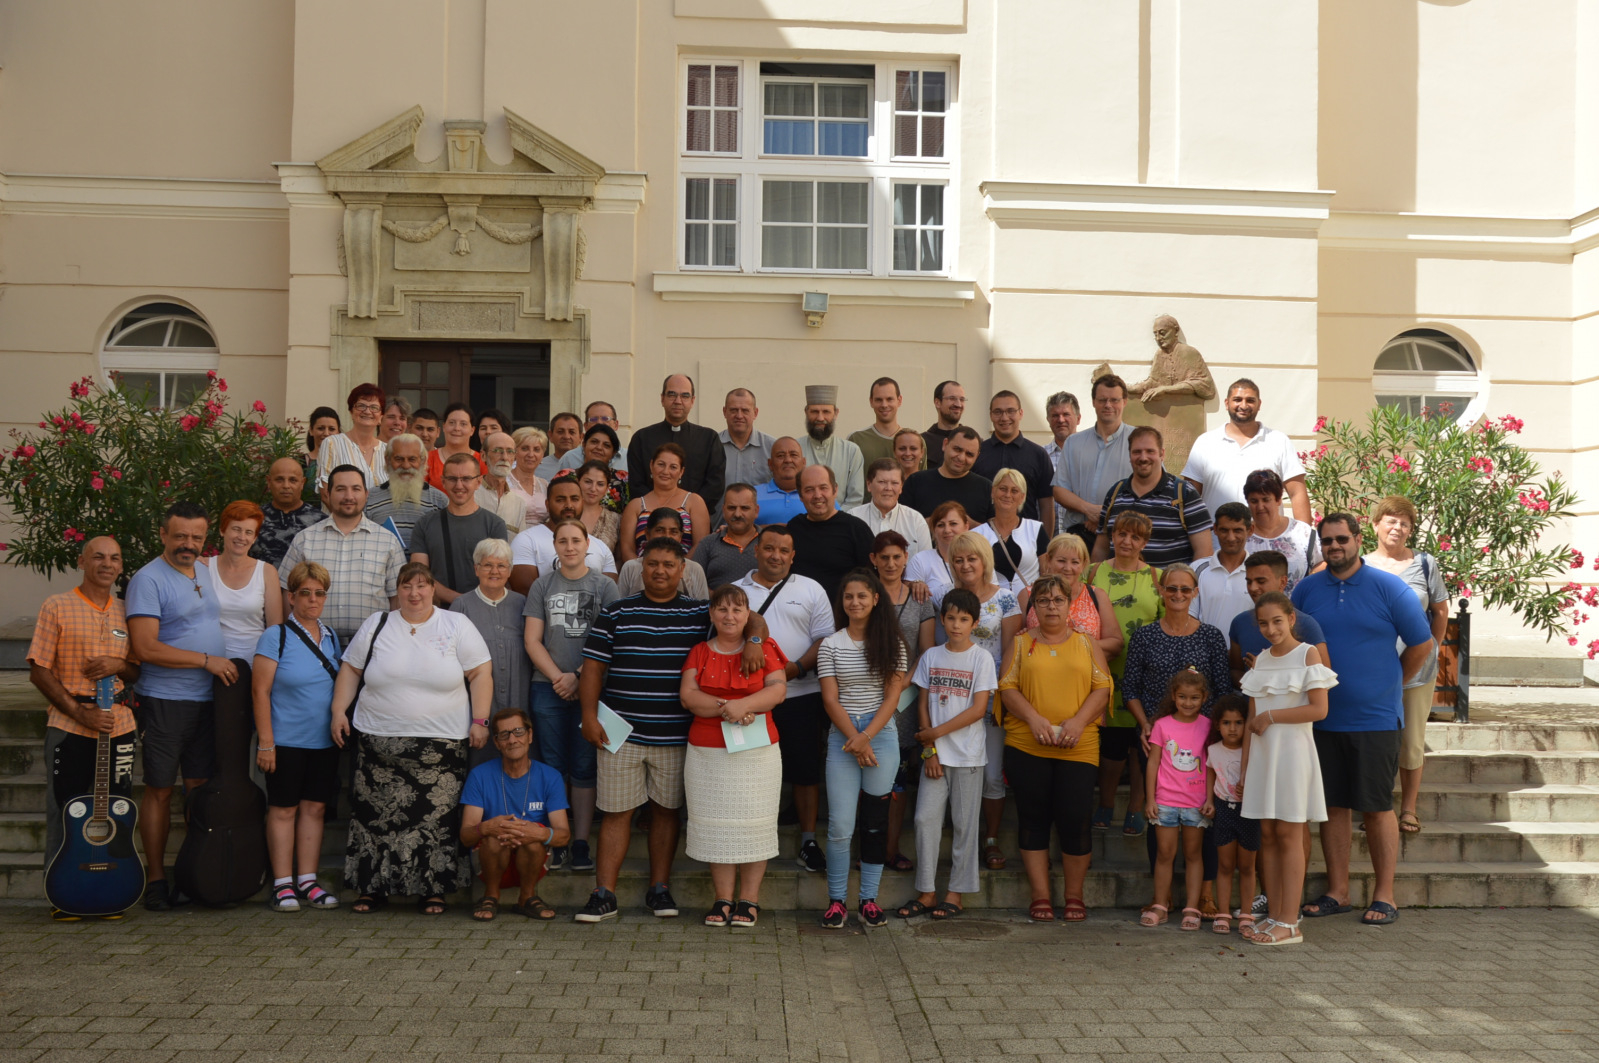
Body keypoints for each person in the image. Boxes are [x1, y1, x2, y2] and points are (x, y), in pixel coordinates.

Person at [574, 538, 767, 924]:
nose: (660, 571)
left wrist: (755, 641)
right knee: (616, 813)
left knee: (666, 812)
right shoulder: (617, 612)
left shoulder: (699, 612)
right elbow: (593, 668)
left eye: (668, 564)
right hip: (621, 735)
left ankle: (659, 889)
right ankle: (603, 894)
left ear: (683, 570)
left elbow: (751, 617)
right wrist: (589, 716)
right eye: (652, 564)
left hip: (676, 736)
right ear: (640, 568)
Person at [1292, 512, 1432, 928]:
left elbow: (1422, 644)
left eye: (1342, 539)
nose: (1335, 547)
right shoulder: (1306, 590)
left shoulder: (1389, 587)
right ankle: (1338, 892)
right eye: (1327, 541)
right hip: (1321, 719)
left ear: (1357, 539)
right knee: (1333, 807)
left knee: (1376, 807)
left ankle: (1385, 895)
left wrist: (1391, 683)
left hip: (1376, 719)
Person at [331, 562, 494, 916]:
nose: (414, 593)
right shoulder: (377, 624)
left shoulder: (456, 624)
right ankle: (371, 889)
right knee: (374, 820)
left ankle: (433, 891)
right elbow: (351, 669)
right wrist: (338, 710)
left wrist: (480, 720)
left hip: (440, 747)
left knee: (435, 822)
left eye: (421, 585)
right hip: (377, 744)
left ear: (433, 589)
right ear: (398, 590)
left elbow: (481, 672)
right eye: (407, 586)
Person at [126, 502, 233, 911]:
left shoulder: (202, 570)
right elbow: (145, 647)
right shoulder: (147, 580)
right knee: (158, 790)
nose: (188, 544)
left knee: (199, 791)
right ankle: (155, 880)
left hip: (208, 701)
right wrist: (206, 660)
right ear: (163, 535)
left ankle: (193, 875)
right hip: (165, 701)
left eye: (196, 537)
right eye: (180, 536)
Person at [28, 536, 141, 919]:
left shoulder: (127, 611)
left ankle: (111, 889)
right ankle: (64, 895)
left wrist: (119, 665)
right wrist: (80, 713)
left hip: (119, 726)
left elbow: (137, 670)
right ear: (81, 561)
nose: (107, 564)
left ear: (121, 566)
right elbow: (39, 670)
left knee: (118, 810)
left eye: (114, 558)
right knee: (66, 812)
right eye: (98, 557)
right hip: (70, 726)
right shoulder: (57, 606)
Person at [995, 574, 1114, 923]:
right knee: (1032, 819)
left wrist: (1078, 721)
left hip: (1078, 746)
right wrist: (1033, 718)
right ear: (1034, 606)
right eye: (1043, 600)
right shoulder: (1020, 643)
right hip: (1027, 744)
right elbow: (1007, 688)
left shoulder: (1087, 643)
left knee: (1075, 819)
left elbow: (1102, 687)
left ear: (1069, 604)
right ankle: (1041, 896)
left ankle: (1074, 896)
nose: (1051, 606)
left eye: (1058, 600)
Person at [1122, 562, 1233, 917]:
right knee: (1159, 818)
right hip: (1157, 740)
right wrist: (1145, 725)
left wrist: (1215, 736)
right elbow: (1130, 688)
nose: (1178, 594)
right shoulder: (1145, 636)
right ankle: (1163, 896)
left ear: (1195, 592)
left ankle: (1206, 895)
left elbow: (1223, 689)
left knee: (1207, 818)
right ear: (1161, 590)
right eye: (1172, 588)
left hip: (1202, 744)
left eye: (1186, 589)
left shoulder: (1211, 636)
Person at [681, 584, 790, 928]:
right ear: (712, 613)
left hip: (757, 753)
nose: (730, 616)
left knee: (755, 825)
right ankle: (723, 898)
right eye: (723, 609)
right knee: (718, 828)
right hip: (707, 753)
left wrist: (745, 705)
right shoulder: (699, 651)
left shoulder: (765, 647)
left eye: (737, 609)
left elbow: (778, 690)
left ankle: (749, 900)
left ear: (747, 615)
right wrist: (729, 708)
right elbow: (688, 696)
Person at [733, 525, 836, 873]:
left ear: (793, 556)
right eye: (769, 548)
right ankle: (750, 838)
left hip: (801, 694)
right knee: (749, 769)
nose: (775, 556)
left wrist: (795, 669)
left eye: (783, 551)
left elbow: (824, 640)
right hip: (752, 699)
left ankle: (808, 841)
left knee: (805, 770)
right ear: (756, 551)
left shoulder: (811, 589)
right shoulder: (736, 591)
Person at [524, 518, 619, 873]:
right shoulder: (542, 585)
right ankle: (557, 839)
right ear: (554, 545)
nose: (569, 547)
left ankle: (580, 842)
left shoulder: (604, 586)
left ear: (587, 544)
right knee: (553, 765)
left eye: (576, 540)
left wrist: (579, 676)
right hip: (547, 686)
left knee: (584, 764)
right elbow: (532, 639)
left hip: (591, 687)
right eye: (562, 541)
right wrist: (558, 678)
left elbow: (612, 639)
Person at [895, 589, 996, 920]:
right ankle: (926, 892)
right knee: (925, 820)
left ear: (975, 623)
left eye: (964, 619)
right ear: (941, 619)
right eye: (950, 618)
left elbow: (978, 710)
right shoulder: (931, 657)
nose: (956, 625)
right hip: (935, 757)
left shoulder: (981, 659)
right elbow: (923, 704)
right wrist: (930, 751)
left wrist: (934, 734)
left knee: (965, 826)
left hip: (968, 757)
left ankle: (956, 893)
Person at [1241, 592, 1335, 945]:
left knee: (1289, 834)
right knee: (1267, 834)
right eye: (1263, 623)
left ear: (1291, 619)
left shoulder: (1308, 654)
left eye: (1277, 621)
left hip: (1293, 755)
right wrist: (1245, 768)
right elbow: (1251, 720)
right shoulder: (1261, 660)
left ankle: (1290, 922)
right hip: (1264, 757)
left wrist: (1272, 716)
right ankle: (1275, 915)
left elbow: (1319, 710)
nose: (1271, 629)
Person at [817, 570, 909, 930]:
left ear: (875, 599)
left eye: (861, 596)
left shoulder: (892, 643)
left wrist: (865, 736)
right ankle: (836, 902)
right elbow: (830, 699)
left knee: (874, 823)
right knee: (840, 825)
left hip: (880, 735)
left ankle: (869, 900)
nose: (854, 602)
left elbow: (892, 698)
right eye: (848, 596)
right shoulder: (831, 644)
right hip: (843, 734)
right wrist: (855, 739)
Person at [251, 561, 342, 912]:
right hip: (285, 741)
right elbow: (260, 691)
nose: (313, 599)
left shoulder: (331, 637)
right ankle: (282, 884)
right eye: (305, 593)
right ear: (291, 597)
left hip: (324, 741)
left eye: (319, 593)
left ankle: (307, 880)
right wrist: (266, 742)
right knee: (283, 809)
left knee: (315, 809)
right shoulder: (276, 636)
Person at [1364, 495, 1450, 836]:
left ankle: (1409, 809)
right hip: (1372, 670)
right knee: (1375, 740)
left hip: (1417, 670)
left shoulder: (1425, 564)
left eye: (1404, 523)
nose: (1397, 527)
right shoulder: (1361, 565)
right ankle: (1376, 806)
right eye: (1391, 520)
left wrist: (1432, 648)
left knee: (1412, 740)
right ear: (1375, 525)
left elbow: (1440, 610)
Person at [941, 532, 1022, 870]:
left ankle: (990, 838)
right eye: (958, 559)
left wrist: (999, 694)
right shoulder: (946, 598)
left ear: (984, 560)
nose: (965, 565)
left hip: (991, 698)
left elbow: (1011, 651)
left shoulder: (1005, 599)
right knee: (956, 770)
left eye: (971, 558)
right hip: (952, 698)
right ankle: (963, 839)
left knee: (990, 774)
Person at [1087, 510, 1163, 836]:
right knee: (1111, 741)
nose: (1127, 541)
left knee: (1140, 741)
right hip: (1103, 668)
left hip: (1146, 671)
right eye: (1121, 534)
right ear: (1113, 536)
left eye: (1135, 536)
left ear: (1145, 542)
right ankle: (1105, 803)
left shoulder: (1157, 577)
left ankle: (1136, 806)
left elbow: (1165, 621)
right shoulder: (1091, 572)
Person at [459, 707, 572, 921]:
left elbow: (563, 835)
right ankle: (491, 895)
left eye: (518, 732)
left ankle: (527, 897)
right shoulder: (480, 775)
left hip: (533, 862)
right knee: (494, 837)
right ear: (497, 742)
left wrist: (535, 833)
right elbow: (466, 836)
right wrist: (488, 827)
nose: (512, 740)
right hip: (489, 860)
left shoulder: (550, 777)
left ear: (530, 735)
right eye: (504, 735)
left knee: (533, 837)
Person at [870, 529, 939, 871]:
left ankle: (891, 849)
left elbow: (926, 650)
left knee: (897, 780)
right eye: (884, 558)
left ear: (906, 559)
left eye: (897, 557)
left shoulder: (920, 598)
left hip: (905, 699)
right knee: (869, 776)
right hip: (867, 696)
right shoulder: (864, 594)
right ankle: (869, 850)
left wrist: (901, 684)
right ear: (873, 560)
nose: (891, 563)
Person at [280, 465, 406, 644]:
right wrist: (292, 638)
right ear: (328, 494)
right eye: (340, 489)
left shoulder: (388, 541)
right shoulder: (304, 539)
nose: (349, 496)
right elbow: (287, 592)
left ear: (366, 494)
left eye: (356, 489)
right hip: (314, 645)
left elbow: (397, 598)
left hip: (371, 645)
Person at [1139, 669, 1214, 931]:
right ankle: (1160, 905)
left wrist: (1210, 798)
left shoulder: (1208, 726)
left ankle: (1192, 908)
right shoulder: (1162, 725)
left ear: (1204, 698)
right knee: (1164, 854)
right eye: (1182, 696)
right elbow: (1153, 763)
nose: (1188, 702)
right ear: (1173, 696)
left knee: (1193, 855)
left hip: (1196, 803)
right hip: (1165, 801)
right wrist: (1150, 799)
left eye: (1194, 697)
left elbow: (1211, 765)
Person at [449, 539, 531, 768]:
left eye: (502, 565)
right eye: (487, 565)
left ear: (510, 570)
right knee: (480, 767)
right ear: (476, 569)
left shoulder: (523, 604)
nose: (495, 571)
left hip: (520, 702)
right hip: (477, 710)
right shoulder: (461, 607)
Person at [1182, 379, 1311, 524]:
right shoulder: (1205, 442)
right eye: (1237, 400)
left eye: (1250, 400)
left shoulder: (1279, 441)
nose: (1243, 406)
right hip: (1215, 536)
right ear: (1227, 403)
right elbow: (1190, 496)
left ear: (1259, 404)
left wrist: (1305, 535)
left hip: (1266, 537)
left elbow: (1297, 493)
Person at [1091, 426, 1213, 566]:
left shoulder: (1184, 494)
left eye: (1150, 451)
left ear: (1162, 454)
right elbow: (1101, 549)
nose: (1143, 458)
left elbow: (1204, 552)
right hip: (1118, 580)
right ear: (1129, 455)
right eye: (1137, 452)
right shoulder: (1115, 493)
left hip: (1168, 580)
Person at [409, 452, 510, 603]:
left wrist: (470, 604)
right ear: (443, 482)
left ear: (478, 482)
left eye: (466, 479)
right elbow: (419, 576)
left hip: (482, 608)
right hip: (437, 611)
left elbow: (497, 574)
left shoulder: (494, 525)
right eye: (452, 479)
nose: (459, 485)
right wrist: (460, 601)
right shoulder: (425, 524)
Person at [1053, 374, 1134, 555]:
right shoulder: (1073, 443)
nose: (1108, 405)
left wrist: (1104, 517)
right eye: (1102, 400)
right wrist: (1088, 510)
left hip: (1123, 538)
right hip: (1080, 536)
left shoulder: (1138, 442)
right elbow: (1059, 490)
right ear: (1093, 402)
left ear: (1124, 402)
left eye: (1114, 400)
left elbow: (1151, 490)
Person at [1228, 550, 1330, 688]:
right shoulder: (1239, 623)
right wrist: (1253, 679)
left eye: (1261, 581)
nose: (1253, 588)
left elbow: (1323, 680)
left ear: (1282, 582)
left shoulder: (1306, 624)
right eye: (1249, 581)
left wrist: (1269, 674)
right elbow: (1235, 671)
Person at [627, 373, 726, 512]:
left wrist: (688, 511)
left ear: (692, 401)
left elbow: (715, 485)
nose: (678, 401)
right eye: (672, 394)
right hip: (650, 517)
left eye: (685, 396)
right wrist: (659, 513)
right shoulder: (641, 438)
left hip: (695, 517)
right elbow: (636, 484)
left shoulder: (709, 438)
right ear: (662, 398)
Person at [199, 501, 282, 662]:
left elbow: (274, 629)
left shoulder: (266, 572)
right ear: (222, 530)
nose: (242, 537)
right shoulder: (204, 568)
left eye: (249, 532)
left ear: (255, 537)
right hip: (212, 662)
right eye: (236, 529)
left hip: (255, 663)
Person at [509, 478, 617, 593]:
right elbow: (526, 590)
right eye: (560, 500)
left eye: (574, 499)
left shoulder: (601, 547)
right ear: (547, 505)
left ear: (582, 503)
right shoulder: (526, 540)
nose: (569, 505)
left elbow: (609, 592)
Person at [1206, 695, 1258, 935]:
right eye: (1227, 723)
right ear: (1218, 725)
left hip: (1249, 813)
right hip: (1224, 810)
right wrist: (1209, 801)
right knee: (1225, 865)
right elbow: (1210, 774)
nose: (1233, 728)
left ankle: (1246, 914)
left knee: (1247, 866)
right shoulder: (1213, 750)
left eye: (1238, 722)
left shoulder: (1254, 751)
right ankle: (1223, 913)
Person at [787, 466, 876, 604]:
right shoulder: (794, 528)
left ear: (835, 490)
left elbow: (872, 578)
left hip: (844, 612)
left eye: (823, 488)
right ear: (800, 496)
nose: (817, 495)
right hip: (800, 610)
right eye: (809, 490)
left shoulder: (856, 529)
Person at [974, 390, 1056, 532]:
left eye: (1010, 411)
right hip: (983, 538)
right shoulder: (977, 452)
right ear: (991, 415)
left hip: (1027, 538)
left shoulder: (1038, 454)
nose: (1004, 417)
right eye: (998, 412)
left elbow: (1047, 504)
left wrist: (1045, 542)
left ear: (1021, 413)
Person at [619, 443, 710, 562]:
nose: (666, 471)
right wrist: (645, 570)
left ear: (681, 472)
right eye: (661, 464)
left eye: (673, 467)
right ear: (651, 465)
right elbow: (627, 549)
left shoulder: (694, 501)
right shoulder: (635, 506)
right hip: (641, 571)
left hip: (685, 569)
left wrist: (678, 568)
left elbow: (701, 544)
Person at [363, 434, 448, 553]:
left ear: (423, 461)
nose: (406, 465)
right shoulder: (369, 498)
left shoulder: (439, 500)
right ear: (387, 460)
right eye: (399, 459)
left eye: (412, 459)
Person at [1243, 469, 1322, 590]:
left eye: (1265, 500)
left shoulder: (1303, 533)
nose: (1260, 507)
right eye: (1254, 501)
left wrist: (1309, 584)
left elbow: (1322, 562)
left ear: (1278, 499)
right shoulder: (1240, 536)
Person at [974, 468, 1047, 598]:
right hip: (993, 605)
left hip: (1031, 602)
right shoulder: (977, 535)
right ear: (993, 492)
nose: (1008, 495)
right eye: (1003, 489)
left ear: (1022, 497)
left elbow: (1046, 572)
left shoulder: (1035, 529)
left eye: (1014, 491)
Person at [1192, 502, 1254, 649]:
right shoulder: (1196, 569)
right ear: (1215, 529)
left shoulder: (1259, 571)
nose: (1231, 538)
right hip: (1205, 655)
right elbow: (1189, 617)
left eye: (1237, 530)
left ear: (1250, 530)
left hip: (1247, 655)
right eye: (1224, 530)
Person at [902, 426, 994, 525]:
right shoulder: (916, 482)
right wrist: (928, 524)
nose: (961, 458)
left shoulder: (987, 488)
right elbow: (901, 524)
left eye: (969, 454)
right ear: (945, 444)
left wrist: (969, 525)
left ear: (977, 456)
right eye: (957, 449)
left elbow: (997, 531)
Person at [617, 509, 710, 598]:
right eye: (660, 530)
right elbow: (620, 604)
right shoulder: (630, 568)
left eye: (674, 532)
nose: (667, 536)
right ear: (647, 534)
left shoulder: (694, 569)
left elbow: (702, 606)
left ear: (680, 536)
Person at [848, 458, 932, 558]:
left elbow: (926, 563)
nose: (888, 488)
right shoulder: (853, 518)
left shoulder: (916, 521)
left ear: (901, 487)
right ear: (869, 485)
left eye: (894, 483)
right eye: (882, 482)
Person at [799, 384, 866, 509]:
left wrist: (834, 517)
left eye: (826, 412)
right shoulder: (795, 450)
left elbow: (855, 499)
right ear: (806, 412)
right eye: (814, 411)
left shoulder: (851, 451)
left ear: (836, 413)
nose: (820, 418)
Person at [252, 457, 325, 569]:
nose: (286, 486)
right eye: (279, 480)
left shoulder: (320, 522)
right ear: (269, 482)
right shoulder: (253, 519)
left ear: (302, 483)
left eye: (293, 480)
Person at [316, 384, 388, 491]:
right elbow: (326, 492)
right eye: (361, 406)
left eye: (374, 407)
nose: (367, 411)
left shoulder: (388, 451)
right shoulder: (332, 444)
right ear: (351, 411)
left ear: (381, 416)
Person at [691, 482, 761, 589]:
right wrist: (716, 596)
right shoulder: (708, 544)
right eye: (731, 508)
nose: (737, 514)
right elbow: (693, 583)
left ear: (756, 511)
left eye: (744, 508)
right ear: (723, 510)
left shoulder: (769, 543)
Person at [717, 388, 775, 507]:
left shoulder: (772, 448)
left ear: (755, 413)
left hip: (760, 519)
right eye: (733, 410)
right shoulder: (712, 446)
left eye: (745, 410)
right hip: (718, 519)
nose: (739, 416)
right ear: (724, 412)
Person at [905, 501, 971, 604]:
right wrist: (913, 585)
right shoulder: (920, 560)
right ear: (933, 530)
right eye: (940, 525)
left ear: (966, 526)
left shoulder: (978, 558)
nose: (947, 530)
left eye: (953, 524)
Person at [477, 432, 534, 534]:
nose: (505, 457)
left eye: (510, 451)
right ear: (483, 456)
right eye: (497, 451)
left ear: (514, 457)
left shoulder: (519, 504)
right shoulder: (470, 496)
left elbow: (519, 542)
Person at [563, 423, 630, 508]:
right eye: (594, 442)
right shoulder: (565, 476)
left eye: (606, 445)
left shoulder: (624, 480)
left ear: (613, 453)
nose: (599, 447)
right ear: (584, 444)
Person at [849, 377, 912, 468]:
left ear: (899, 400)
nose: (884, 405)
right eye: (879, 400)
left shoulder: (914, 442)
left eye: (889, 399)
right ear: (871, 402)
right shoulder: (856, 440)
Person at [1042, 391, 1080, 538]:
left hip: (1083, 540)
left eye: (1066, 414)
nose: (1061, 420)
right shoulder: (1040, 456)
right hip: (1048, 540)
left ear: (1078, 418)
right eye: (1055, 415)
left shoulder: (1092, 455)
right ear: (1048, 420)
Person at [425, 403, 488, 490]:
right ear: (444, 427)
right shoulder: (427, 459)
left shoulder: (482, 461)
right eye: (452, 423)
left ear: (472, 430)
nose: (457, 428)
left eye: (463, 424)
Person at [556, 403, 629, 474]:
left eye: (605, 418)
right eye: (593, 419)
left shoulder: (629, 457)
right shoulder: (569, 458)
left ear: (616, 425)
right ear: (586, 426)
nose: (599, 422)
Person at [570, 460, 623, 554]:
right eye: (588, 482)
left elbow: (619, 558)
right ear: (578, 482)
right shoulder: (565, 513)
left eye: (600, 484)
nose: (593, 489)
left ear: (607, 488)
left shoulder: (616, 520)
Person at [753, 436, 808, 526]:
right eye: (780, 456)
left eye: (793, 455)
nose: (788, 460)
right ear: (770, 464)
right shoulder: (752, 494)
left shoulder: (816, 495)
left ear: (803, 462)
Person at [507, 426, 550, 527]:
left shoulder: (544, 485)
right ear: (514, 452)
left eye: (536, 450)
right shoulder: (504, 481)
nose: (531, 454)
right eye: (525, 448)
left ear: (542, 455)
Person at [922, 380, 966, 469]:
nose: (958, 404)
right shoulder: (922, 442)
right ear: (937, 403)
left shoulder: (973, 442)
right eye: (952, 398)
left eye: (962, 399)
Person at [537, 411, 582, 480]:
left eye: (572, 432)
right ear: (550, 435)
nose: (566, 436)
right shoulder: (537, 468)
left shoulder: (587, 466)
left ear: (581, 437)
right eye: (560, 432)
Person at [304, 406, 342, 487]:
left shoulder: (346, 460)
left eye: (331, 429)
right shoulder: (300, 462)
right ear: (311, 430)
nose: (326, 433)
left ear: (338, 432)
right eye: (321, 428)